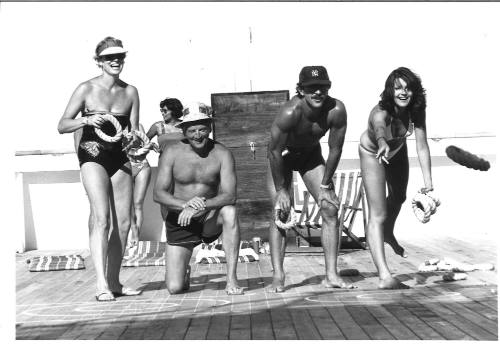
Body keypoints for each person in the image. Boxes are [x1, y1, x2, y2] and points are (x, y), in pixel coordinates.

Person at [57, 36, 143, 301]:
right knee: (102, 218)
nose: (115, 61)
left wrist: (138, 139)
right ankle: (101, 284)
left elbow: (134, 128)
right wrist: (87, 119)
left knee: (125, 221)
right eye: (109, 58)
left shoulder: (130, 91)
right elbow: (62, 124)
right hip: (92, 154)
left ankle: (115, 282)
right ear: (99, 62)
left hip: (119, 155)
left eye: (119, 57)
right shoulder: (86, 89)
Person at [267, 66, 352, 292]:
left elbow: (335, 149)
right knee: (280, 213)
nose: (317, 93)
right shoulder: (289, 113)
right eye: (312, 88)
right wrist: (282, 190)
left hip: (310, 157)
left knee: (330, 208)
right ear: (301, 90)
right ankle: (278, 275)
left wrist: (325, 186)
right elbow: (274, 152)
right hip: (281, 158)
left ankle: (331, 274)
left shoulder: (336, 110)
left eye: (322, 87)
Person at [153, 102, 244, 295]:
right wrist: (185, 204)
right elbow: (158, 193)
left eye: (202, 129)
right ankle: (184, 269)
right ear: (184, 131)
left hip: (209, 217)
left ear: (210, 128)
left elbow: (230, 195)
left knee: (230, 212)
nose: (197, 135)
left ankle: (231, 278)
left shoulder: (222, 153)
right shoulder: (171, 152)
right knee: (175, 288)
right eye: (192, 130)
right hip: (180, 218)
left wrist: (201, 205)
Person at [359, 66, 434, 289]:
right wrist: (381, 142)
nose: (403, 92)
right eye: (398, 88)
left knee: (399, 196)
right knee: (378, 213)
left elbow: (422, 146)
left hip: (397, 149)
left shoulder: (416, 110)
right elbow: (380, 127)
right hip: (374, 152)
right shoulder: (381, 111)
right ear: (390, 91)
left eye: (408, 88)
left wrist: (428, 182)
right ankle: (385, 276)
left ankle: (387, 232)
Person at [127, 123, 153, 247]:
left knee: (138, 203)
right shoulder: (115, 127)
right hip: (125, 166)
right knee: (128, 203)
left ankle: (136, 235)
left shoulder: (139, 126)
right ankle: (133, 229)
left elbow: (145, 145)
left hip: (142, 164)